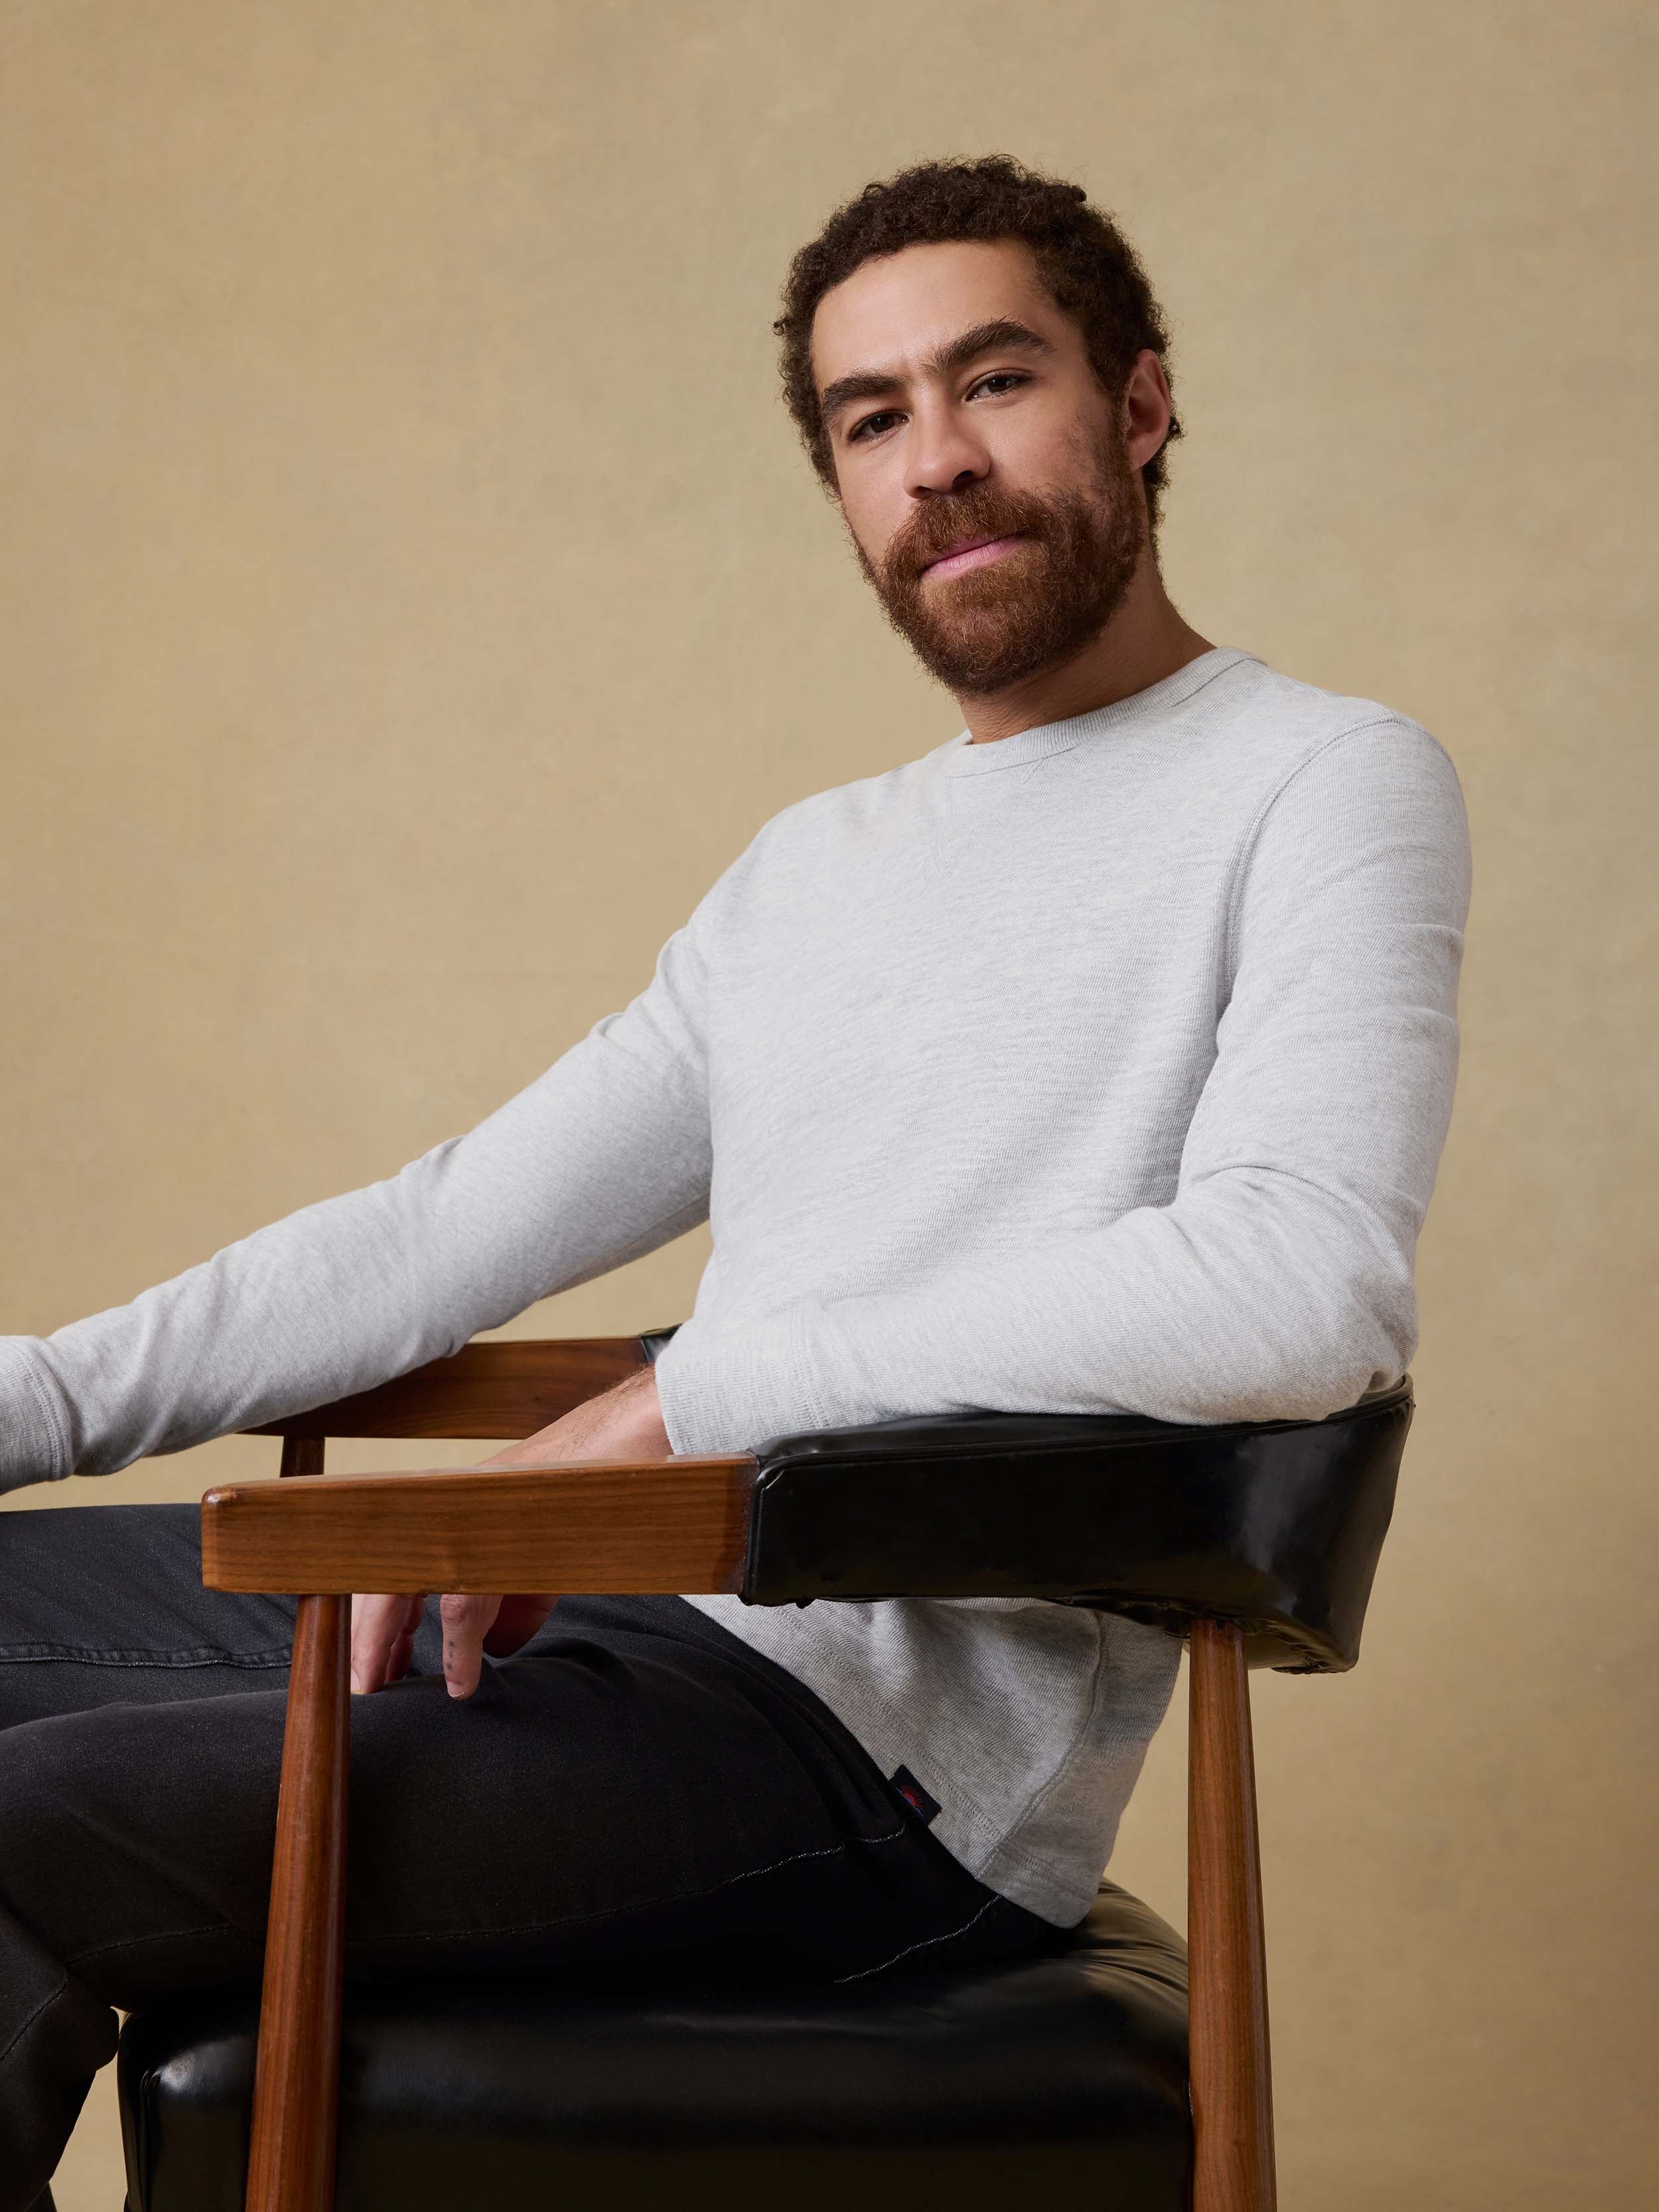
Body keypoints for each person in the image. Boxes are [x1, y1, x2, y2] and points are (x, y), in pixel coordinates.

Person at [0, 155, 1470, 2207]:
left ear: (1137, 402)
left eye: (994, 382)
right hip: (606, 1629)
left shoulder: (1317, 779)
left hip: (864, 1763)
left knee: (24, 1823)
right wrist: (37, 1401)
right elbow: (443, 1232)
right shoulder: (812, 871)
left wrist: (695, 1392)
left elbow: (1301, 1284)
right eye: (872, 420)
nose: (936, 462)